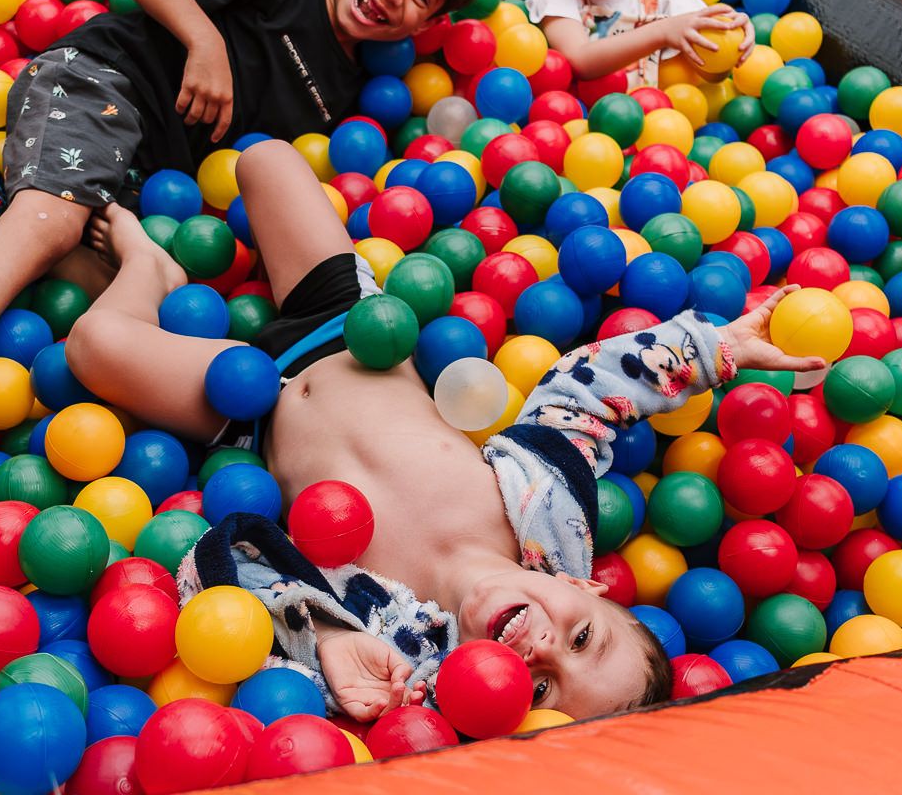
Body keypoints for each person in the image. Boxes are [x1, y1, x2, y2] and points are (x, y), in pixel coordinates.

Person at [63, 139, 825, 723]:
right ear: (582, 584)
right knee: (264, 161)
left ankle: (146, 265)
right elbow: (581, 395)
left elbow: (219, 571)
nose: (543, 648)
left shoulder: (401, 661)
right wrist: (713, 348)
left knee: (91, 348)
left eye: (538, 686)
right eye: (583, 637)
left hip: (242, 411)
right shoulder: (549, 511)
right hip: (345, 330)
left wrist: (323, 645)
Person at [0, 0, 468, 493]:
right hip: (105, 82)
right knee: (58, 222)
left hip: (146, 180)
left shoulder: (346, 91)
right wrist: (203, 39)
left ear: (431, 23)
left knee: (156, 287)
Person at [526, 0, 754, 87]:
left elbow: (712, 74)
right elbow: (580, 60)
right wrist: (663, 31)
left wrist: (733, 39)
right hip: (588, 131)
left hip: (660, 127)